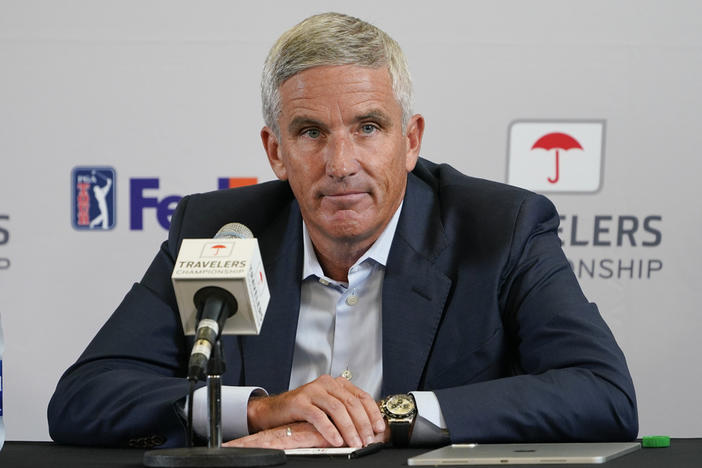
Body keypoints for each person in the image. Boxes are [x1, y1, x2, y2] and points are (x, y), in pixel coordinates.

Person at [48, 12, 637, 450]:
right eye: (310, 133)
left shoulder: (500, 229)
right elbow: (84, 397)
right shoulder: (217, 231)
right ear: (275, 152)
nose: (341, 163)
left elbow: (602, 393)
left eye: (368, 127)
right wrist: (261, 412)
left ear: (410, 140)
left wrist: (389, 416)